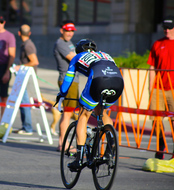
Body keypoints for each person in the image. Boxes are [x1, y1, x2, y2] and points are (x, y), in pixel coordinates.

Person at [56, 39, 124, 171]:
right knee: (102, 112)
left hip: (98, 80)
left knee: (83, 114)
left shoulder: (77, 57)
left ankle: (79, 158)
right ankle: (110, 149)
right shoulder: (105, 54)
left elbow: (68, 78)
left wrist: (62, 94)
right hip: (118, 82)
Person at [147, 15, 174, 160]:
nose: (167, 30)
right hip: (158, 88)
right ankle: (161, 147)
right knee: (156, 120)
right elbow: (152, 67)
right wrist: (150, 88)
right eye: (164, 28)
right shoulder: (158, 43)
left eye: (169, 28)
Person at [53, 20, 79, 151]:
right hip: (67, 81)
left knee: (69, 113)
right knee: (67, 113)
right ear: (61, 30)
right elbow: (74, 58)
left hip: (73, 81)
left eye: (72, 31)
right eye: (67, 30)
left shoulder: (68, 43)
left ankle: (62, 142)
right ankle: (63, 143)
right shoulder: (60, 43)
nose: (70, 33)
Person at [13, 24, 39, 135]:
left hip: (27, 78)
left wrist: (20, 67)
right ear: (29, 33)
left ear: (19, 33)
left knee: (24, 102)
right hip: (24, 76)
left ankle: (27, 128)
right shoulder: (26, 44)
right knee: (22, 102)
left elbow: (34, 61)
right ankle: (25, 126)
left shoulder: (28, 45)